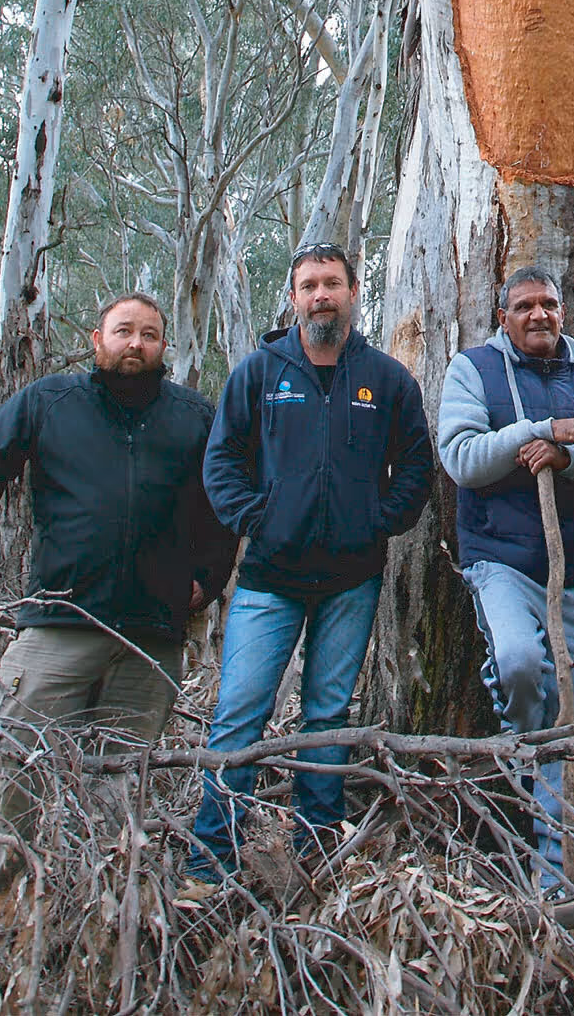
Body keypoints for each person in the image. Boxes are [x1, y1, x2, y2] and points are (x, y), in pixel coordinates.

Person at [0, 292, 236, 888]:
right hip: (58, 624)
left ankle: (96, 901)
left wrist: (207, 578)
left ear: (163, 347)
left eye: (149, 334)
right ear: (98, 341)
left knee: (118, 787)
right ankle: (5, 894)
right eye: (123, 331)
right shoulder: (50, 402)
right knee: (19, 767)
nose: (135, 344)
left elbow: (221, 506)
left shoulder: (194, 417)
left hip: (150, 638)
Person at [190, 242, 433, 877]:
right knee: (241, 712)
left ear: (353, 292)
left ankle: (316, 854)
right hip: (270, 577)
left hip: (353, 577)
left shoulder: (385, 380)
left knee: (329, 714)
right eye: (308, 286)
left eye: (332, 283)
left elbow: (415, 467)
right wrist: (258, 520)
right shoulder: (261, 372)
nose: (320, 295)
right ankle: (208, 861)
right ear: (294, 297)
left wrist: (378, 523)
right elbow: (221, 462)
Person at [438, 266, 574, 881]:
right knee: (522, 665)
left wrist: (571, 458)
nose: (539, 315)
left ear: (563, 312)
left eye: (549, 304)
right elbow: (462, 459)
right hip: (501, 560)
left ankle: (557, 885)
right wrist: (540, 430)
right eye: (524, 306)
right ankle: (526, 753)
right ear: (503, 318)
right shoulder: (473, 369)